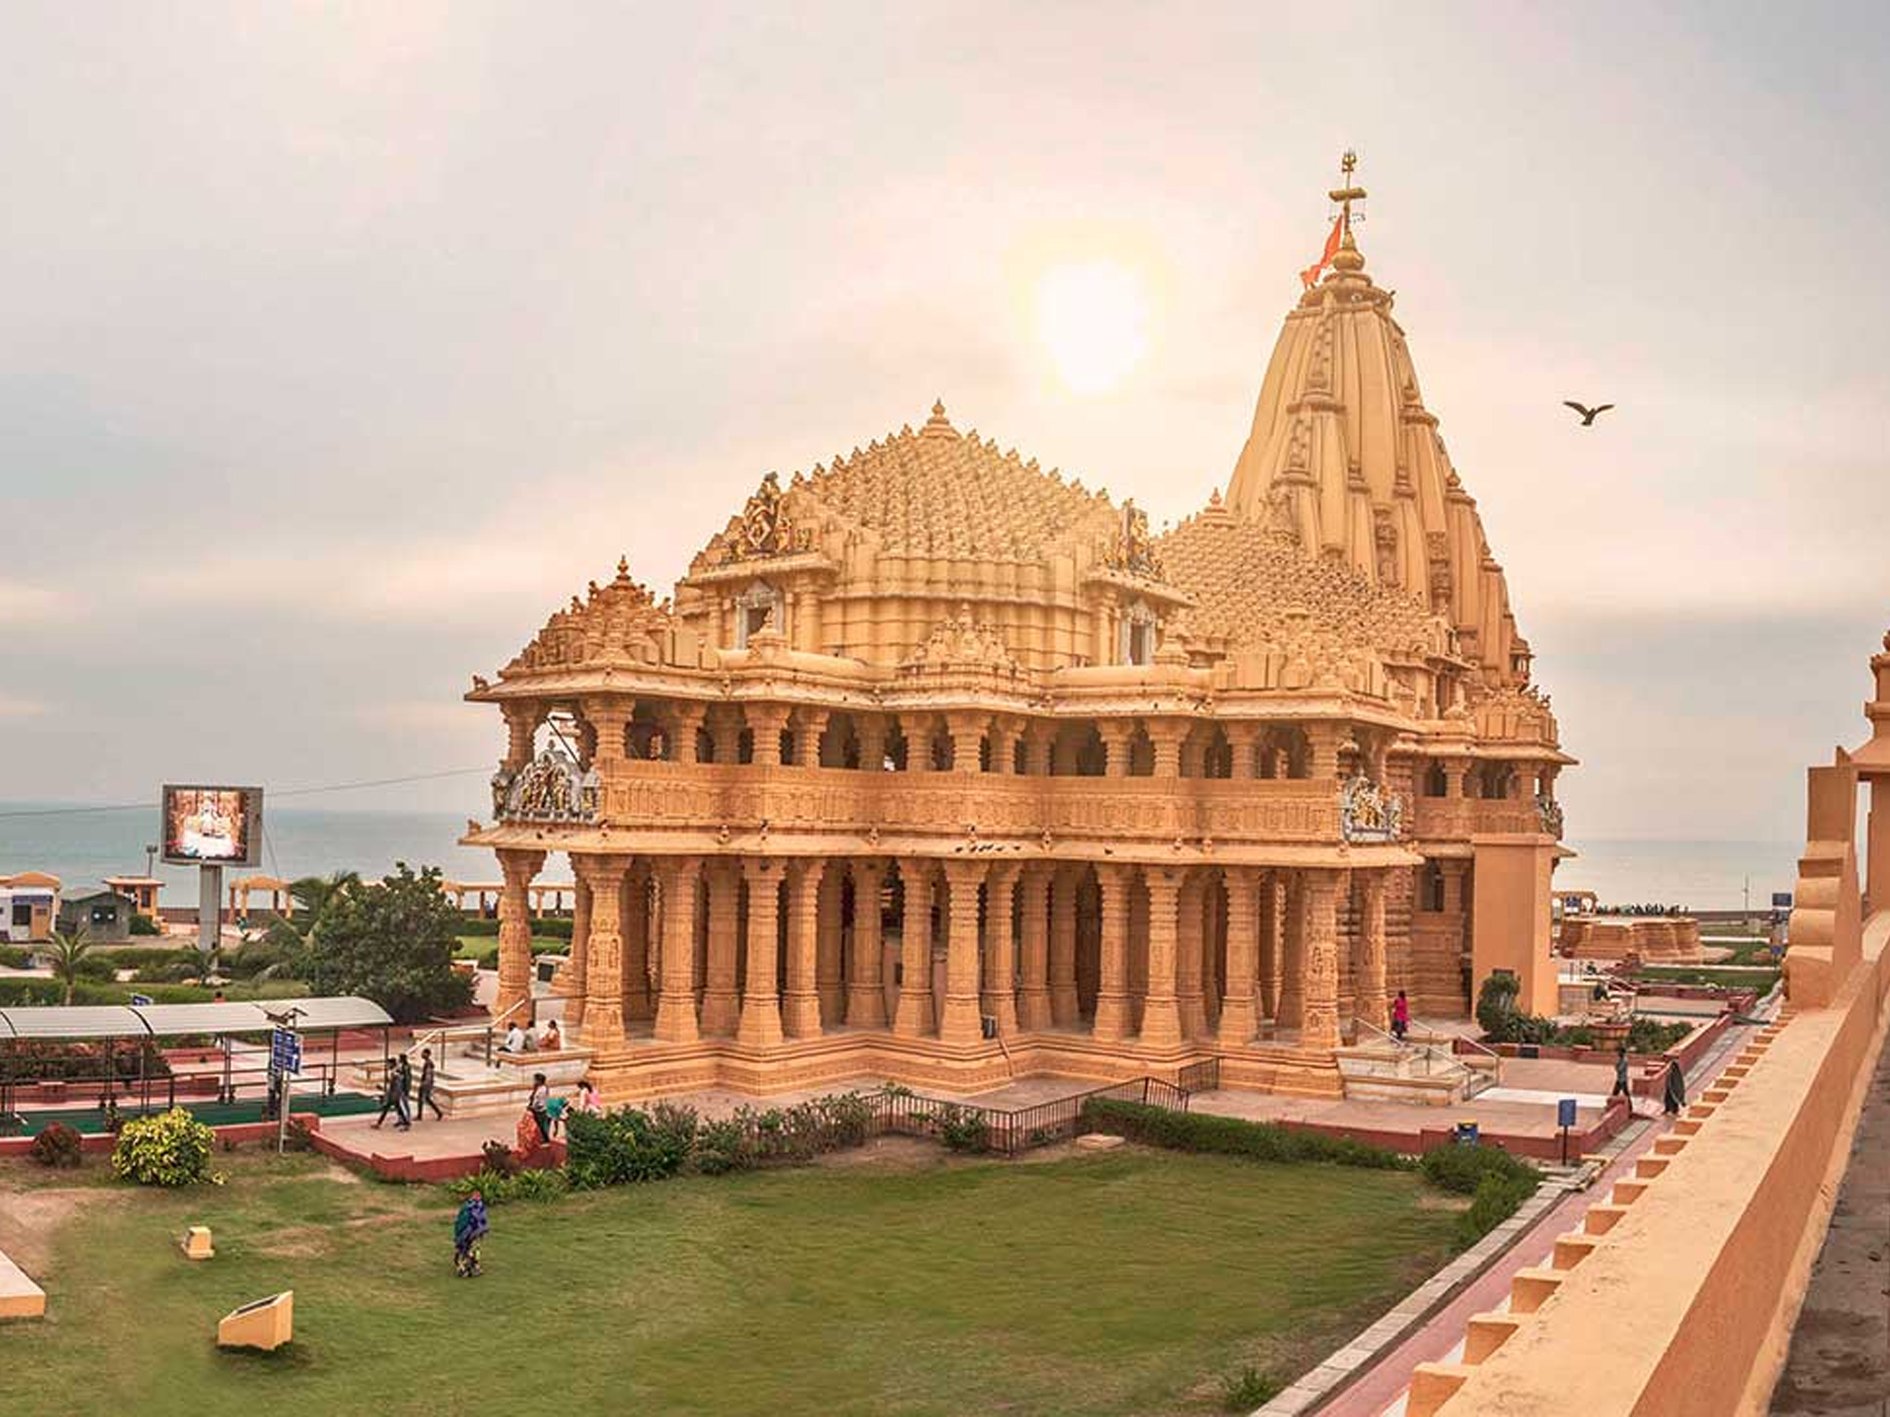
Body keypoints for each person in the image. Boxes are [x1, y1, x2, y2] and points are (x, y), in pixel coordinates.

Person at [453, 1189, 488, 1278]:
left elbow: (483, 1219)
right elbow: (461, 1221)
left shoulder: (480, 1206)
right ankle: (463, 1269)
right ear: (472, 1196)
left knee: (475, 1250)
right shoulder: (468, 1207)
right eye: (475, 1196)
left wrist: (483, 1230)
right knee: (466, 1250)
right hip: (467, 1233)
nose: (477, 1197)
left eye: (478, 1196)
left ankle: (473, 1267)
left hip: (476, 1232)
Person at [373, 1055, 412, 1131]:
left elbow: (397, 1084)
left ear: (392, 1064)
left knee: (391, 1108)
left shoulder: (396, 1072)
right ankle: (379, 1123)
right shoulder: (394, 1071)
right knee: (395, 1109)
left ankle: (406, 1124)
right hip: (393, 1093)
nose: (387, 1066)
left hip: (395, 1094)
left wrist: (394, 1094)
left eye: (388, 1064)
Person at [416, 1047, 444, 1122]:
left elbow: (428, 1074)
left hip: (426, 1084)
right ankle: (439, 1113)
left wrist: (424, 1083)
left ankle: (419, 1115)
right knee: (427, 1099)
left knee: (421, 1099)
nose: (422, 1054)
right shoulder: (428, 1063)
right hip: (428, 1083)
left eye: (423, 1053)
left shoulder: (428, 1063)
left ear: (427, 1054)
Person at [527, 1072, 551, 1142]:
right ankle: (543, 1138)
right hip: (539, 1109)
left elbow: (538, 1101)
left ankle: (545, 1139)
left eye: (535, 1080)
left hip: (541, 1110)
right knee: (541, 1125)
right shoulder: (540, 1088)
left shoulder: (542, 1090)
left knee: (542, 1126)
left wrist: (532, 1107)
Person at [1610, 1044, 1634, 1114]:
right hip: (1620, 1079)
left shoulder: (1624, 1060)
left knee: (1623, 1093)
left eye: (1619, 1052)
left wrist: (1616, 1065)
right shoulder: (1622, 1059)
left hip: (1622, 1080)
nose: (1618, 1053)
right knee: (1616, 1093)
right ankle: (1630, 1107)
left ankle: (1630, 1107)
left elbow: (1619, 1069)